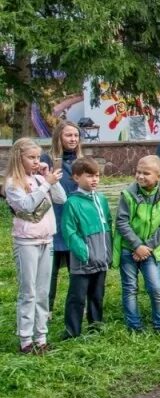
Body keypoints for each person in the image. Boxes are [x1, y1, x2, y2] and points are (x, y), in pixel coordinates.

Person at [5, 138, 66, 353]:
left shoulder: (41, 179)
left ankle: (41, 337)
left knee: (42, 291)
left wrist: (50, 180)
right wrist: (46, 184)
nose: (35, 161)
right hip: (26, 242)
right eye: (31, 157)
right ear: (18, 158)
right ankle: (25, 340)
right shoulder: (12, 183)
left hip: (46, 239)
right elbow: (27, 205)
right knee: (28, 291)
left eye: (38, 157)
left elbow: (61, 199)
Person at [112, 155, 160, 333]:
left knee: (156, 288)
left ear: (159, 177)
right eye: (138, 172)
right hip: (128, 249)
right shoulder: (128, 194)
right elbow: (122, 222)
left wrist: (147, 247)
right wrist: (137, 245)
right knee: (130, 288)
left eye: (146, 173)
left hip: (152, 251)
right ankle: (134, 326)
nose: (140, 176)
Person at [61, 157, 112, 338]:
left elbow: (108, 225)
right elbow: (69, 231)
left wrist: (109, 252)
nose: (94, 180)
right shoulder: (72, 203)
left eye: (97, 176)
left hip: (101, 258)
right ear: (76, 177)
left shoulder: (101, 199)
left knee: (97, 295)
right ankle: (72, 331)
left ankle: (96, 326)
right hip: (83, 261)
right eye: (89, 176)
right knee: (77, 297)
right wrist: (84, 253)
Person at [40, 121, 82, 313]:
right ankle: (45, 310)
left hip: (75, 221)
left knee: (77, 270)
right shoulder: (47, 159)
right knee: (50, 271)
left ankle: (77, 308)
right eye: (68, 135)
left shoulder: (80, 161)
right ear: (59, 137)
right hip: (54, 219)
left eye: (76, 135)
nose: (73, 139)